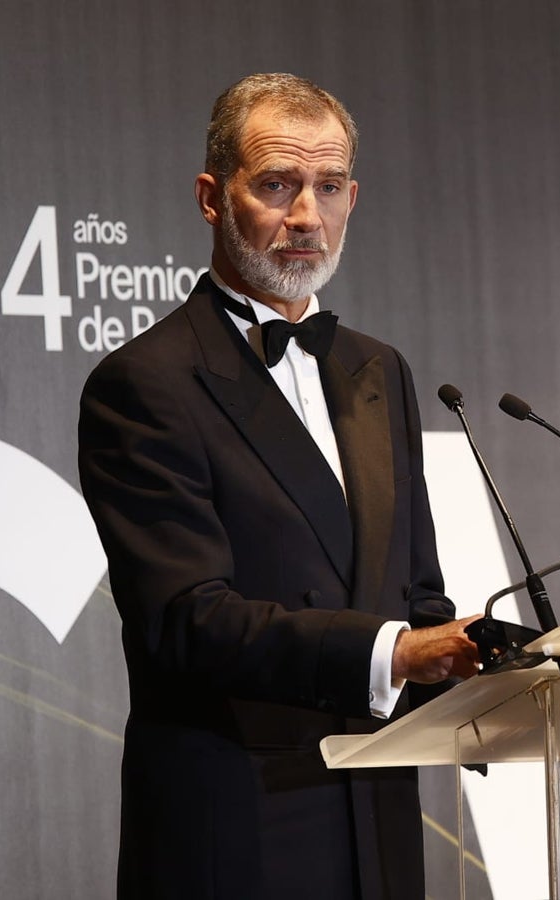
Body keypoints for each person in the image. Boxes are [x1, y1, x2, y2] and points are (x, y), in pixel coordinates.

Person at [78, 73, 480, 900]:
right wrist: (394, 651)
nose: (306, 217)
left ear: (352, 197)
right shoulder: (145, 383)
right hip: (234, 828)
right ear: (210, 197)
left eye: (328, 187)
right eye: (276, 185)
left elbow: (415, 589)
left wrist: (481, 659)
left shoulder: (379, 369)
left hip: (376, 815)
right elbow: (186, 619)